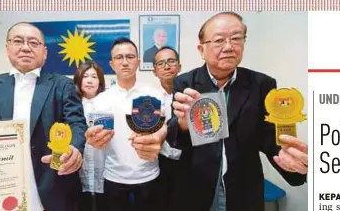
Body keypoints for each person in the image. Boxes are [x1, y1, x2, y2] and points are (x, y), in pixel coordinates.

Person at [166, 12, 309, 211]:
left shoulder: (262, 84)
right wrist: (182, 124)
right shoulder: (185, 82)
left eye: (236, 38)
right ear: (202, 49)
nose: (228, 47)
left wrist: (290, 158)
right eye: (219, 40)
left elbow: (269, 138)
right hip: (196, 186)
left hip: (243, 188)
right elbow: (177, 139)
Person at [0, 22, 87, 211]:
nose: (26, 47)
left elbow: (77, 123)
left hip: (49, 184)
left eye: (34, 43)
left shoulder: (62, 85)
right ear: (8, 48)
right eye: (18, 41)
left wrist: (75, 148)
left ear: (45, 52)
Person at [83, 37, 168, 211]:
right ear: (112, 64)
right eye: (119, 58)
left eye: (130, 57)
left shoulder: (155, 95)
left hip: (149, 176)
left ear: (138, 61)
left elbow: (165, 130)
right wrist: (91, 138)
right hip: (114, 178)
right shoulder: (100, 101)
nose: (125, 62)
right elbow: (92, 139)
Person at [152, 46, 183, 211]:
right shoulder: (149, 100)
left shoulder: (191, 95)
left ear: (179, 66)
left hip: (189, 162)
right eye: (161, 63)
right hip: (161, 163)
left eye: (171, 61)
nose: (167, 66)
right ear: (154, 71)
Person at [73, 61, 106, 211]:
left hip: (104, 163)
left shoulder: (108, 102)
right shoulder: (71, 104)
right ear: (78, 80)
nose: (90, 80)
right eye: (85, 76)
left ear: (100, 81)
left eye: (94, 76)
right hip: (79, 164)